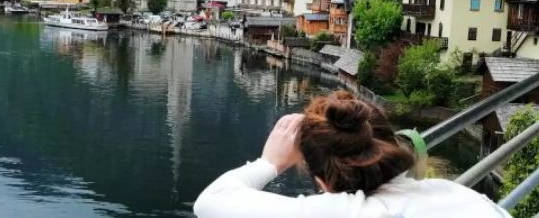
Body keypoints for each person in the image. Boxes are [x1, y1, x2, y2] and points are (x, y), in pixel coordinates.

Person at [194, 90, 511, 218]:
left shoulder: (348, 213)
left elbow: (208, 202)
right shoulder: (456, 193)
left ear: (324, 183)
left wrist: (270, 163)